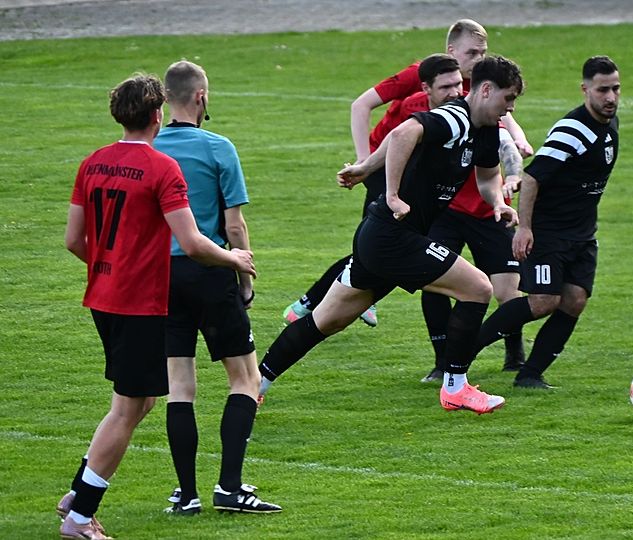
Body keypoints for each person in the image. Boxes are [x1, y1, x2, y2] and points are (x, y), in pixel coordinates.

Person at [260, 55, 524, 414]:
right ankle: (455, 387)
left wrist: (497, 203)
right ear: (487, 90)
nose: (511, 107)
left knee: (326, 321)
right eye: (508, 98)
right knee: (478, 288)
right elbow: (402, 133)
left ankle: (254, 384)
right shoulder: (455, 117)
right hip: (392, 237)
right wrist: (393, 194)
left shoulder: (486, 129)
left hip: (383, 238)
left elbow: (488, 176)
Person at [57, 74, 256, 539]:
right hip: (137, 303)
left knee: (142, 400)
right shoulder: (161, 168)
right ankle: (80, 517)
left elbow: (73, 240)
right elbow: (193, 242)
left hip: (103, 297)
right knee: (128, 409)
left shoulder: (92, 162)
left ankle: (77, 493)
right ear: (156, 114)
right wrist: (236, 259)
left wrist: (110, 267)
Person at [280, 18, 532, 328]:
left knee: (393, 246)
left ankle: (341, 301)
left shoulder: (474, 89)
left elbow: (501, 124)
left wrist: (517, 143)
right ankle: (315, 303)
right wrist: (366, 163)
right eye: (472, 53)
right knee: (380, 243)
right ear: (451, 51)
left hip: (425, 178)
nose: (479, 59)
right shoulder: (422, 77)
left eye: (483, 52)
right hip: (389, 168)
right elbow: (377, 117)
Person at [153, 61, 281, 515]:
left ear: (166, 99)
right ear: (201, 97)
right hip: (210, 271)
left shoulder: (151, 149)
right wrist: (245, 279)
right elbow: (234, 225)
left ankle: (185, 495)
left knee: (179, 386)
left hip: (162, 278)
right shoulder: (218, 147)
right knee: (244, 378)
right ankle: (229, 487)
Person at [474, 56, 621, 389]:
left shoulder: (610, 123)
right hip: (550, 232)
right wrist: (525, 228)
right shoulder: (572, 130)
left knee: (575, 300)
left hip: (582, 234)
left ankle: (530, 375)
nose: (610, 97)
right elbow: (532, 177)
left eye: (615, 89)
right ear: (585, 89)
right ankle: (462, 353)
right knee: (544, 300)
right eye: (602, 90)